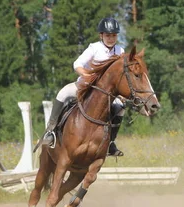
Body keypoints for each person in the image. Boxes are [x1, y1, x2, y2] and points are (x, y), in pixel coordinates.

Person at [37, 17, 126, 156]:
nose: (111, 38)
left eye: (114, 35)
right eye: (108, 35)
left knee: (120, 107)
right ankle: (50, 132)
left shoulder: (121, 51)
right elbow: (77, 64)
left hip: (107, 93)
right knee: (62, 93)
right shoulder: (94, 48)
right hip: (85, 85)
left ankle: (110, 142)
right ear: (101, 35)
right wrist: (88, 75)